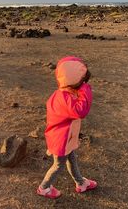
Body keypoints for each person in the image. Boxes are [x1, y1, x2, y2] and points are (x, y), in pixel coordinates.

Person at [37, 56, 97, 199]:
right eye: (82, 82)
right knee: (58, 165)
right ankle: (43, 188)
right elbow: (80, 111)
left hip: (64, 137)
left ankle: (80, 182)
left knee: (72, 159)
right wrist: (85, 89)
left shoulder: (63, 93)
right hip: (61, 139)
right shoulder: (64, 98)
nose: (84, 84)